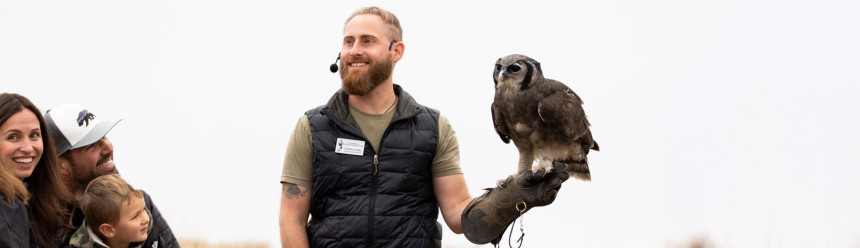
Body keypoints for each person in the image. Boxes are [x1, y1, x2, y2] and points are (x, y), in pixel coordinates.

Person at [278, 6, 569, 248]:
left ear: (397, 51)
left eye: (367, 41)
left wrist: (512, 196)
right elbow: (291, 219)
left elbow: (458, 215)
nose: (354, 50)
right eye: (348, 41)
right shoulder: (313, 127)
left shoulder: (432, 127)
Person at [44, 102, 179, 248]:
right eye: (91, 145)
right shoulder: (39, 227)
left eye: (104, 136)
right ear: (60, 165)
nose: (108, 147)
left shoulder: (139, 206)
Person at [0, 93, 73, 248]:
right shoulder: (6, 203)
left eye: (34, 135)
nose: (28, 148)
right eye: (13, 137)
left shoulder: (37, 198)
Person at [67, 174, 151, 248]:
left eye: (143, 209)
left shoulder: (151, 236)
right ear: (108, 230)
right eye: (135, 216)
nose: (146, 219)